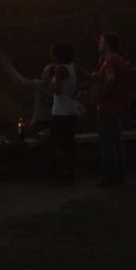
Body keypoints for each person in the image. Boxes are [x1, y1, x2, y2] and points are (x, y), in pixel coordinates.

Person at [92, 32, 129, 187]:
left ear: (107, 45)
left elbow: (111, 79)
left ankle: (111, 176)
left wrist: (103, 93)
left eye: (101, 42)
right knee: (116, 142)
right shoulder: (120, 60)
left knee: (108, 143)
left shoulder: (111, 60)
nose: (99, 45)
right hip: (119, 105)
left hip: (108, 106)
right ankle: (119, 175)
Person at [46, 41, 80, 186]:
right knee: (70, 144)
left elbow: (57, 91)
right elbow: (93, 79)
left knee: (59, 145)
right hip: (72, 110)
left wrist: (48, 80)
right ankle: (71, 175)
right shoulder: (73, 67)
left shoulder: (60, 69)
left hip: (60, 112)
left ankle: (61, 177)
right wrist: (76, 90)